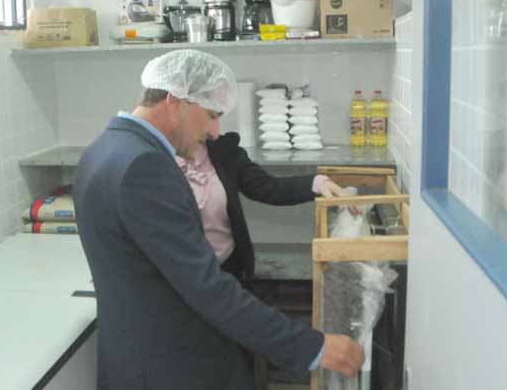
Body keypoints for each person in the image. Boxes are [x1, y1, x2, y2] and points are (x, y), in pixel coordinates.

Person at [73, 49, 365, 390]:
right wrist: (312, 347)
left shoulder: (103, 148)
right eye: (211, 115)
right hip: (170, 363)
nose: (215, 131)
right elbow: (205, 286)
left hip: (132, 354)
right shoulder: (146, 167)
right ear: (175, 101)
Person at [176, 133, 353, 280]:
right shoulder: (162, 160)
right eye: (211, 116)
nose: (215, 131)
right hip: (179, 275)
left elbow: (268, 187)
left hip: (226, 269)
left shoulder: (224, 151)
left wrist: (318, 183)